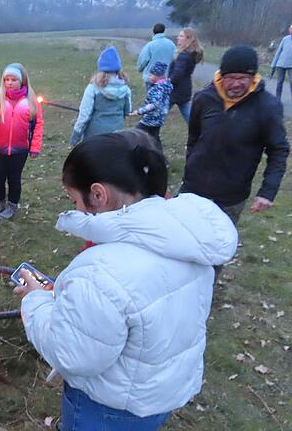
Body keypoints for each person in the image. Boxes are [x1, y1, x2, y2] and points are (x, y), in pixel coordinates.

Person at [15, 130, 238, 431]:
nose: (76, 209)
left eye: (74, 199)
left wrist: (35, 300)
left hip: (108, 408)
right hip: (161, 393)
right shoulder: (188, 238)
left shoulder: (101, 273)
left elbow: (71, 353)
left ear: (98, 194)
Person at [181, 45, 290, 225]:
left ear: (254, 77)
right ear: (221, 76)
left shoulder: (267, 106)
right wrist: (190, 166)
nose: (236, 83)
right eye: (231, 77)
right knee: (181, 238)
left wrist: (267, 191)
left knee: (218, 247)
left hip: (231, 196)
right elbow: (194, 138)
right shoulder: (204, 98)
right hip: (193, 188)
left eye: (243, 78)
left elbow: (278, 150)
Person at [0, 63, 43, 220]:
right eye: (6, 79)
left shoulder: (31, 101)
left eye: (13, 79)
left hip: (19, 150)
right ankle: (0, 202)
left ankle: (12, 205)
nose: (9, 82)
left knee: (14, 179)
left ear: (22, 81)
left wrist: (35, 147)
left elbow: (38, 124)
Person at [71, 46, 132, 146]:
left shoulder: (93, 88)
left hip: (95, 138)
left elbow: (84, 116)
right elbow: (127, 111)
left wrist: (75, 137)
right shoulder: (126, 90)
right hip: (118, 136)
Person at [130, 61, 172, 152]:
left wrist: (139, 111)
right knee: (154, 136)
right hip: (160, 116)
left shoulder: (158, 89)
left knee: (136, 133)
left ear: (157, 76)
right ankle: (160, 157)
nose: (149, 77)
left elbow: (154, 104)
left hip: (152, 117)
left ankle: (133, 150)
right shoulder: (165, 86)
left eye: (151, 75)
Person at [169, 28, 204, 122]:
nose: (177, 38)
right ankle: (200, 130)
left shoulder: (184, 56)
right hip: (184, 89)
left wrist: (166, 82)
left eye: (181, 36)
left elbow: (177, 74)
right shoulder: (190, 54)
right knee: (190, 117)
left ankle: (147, 130)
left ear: (188, 39)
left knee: (158, 116)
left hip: (175, 90)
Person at [137, 23, 177, 90]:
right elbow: (176, 59)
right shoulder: (171, 44)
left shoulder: (149, 45)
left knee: (152, 99)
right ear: (164, 31)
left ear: (153, 31)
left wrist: (140, 68)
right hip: (167, 78)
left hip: (151, 79)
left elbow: (143, 60)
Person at [270, 24, 292, 101]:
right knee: (280, 82)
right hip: (281, 64)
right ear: (289, 30)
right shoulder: (285, 39)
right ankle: (277, 98)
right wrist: (273, 64)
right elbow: (278, 52)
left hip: (291, 65)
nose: (291, 30)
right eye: (291, 29)